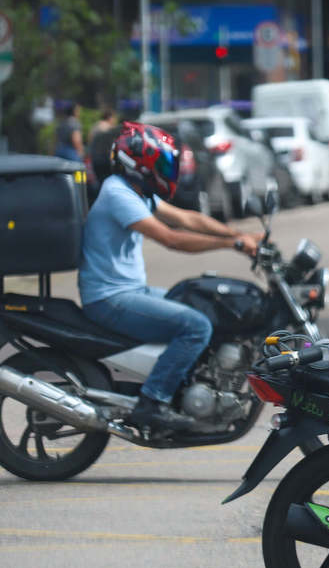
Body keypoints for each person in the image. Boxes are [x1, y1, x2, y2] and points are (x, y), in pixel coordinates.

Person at [79, 122, 262, 433]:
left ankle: (187, 387)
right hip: (110, 298)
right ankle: (153, 402)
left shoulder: (138, 192)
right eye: (160, 163)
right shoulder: (117, 193)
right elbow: (171, 238)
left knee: (204, 308)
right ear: (138, 164)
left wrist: (238, 234)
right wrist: (232, 244)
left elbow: (186, 218)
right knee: (195, 326)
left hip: (132, 291)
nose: (166, 169)